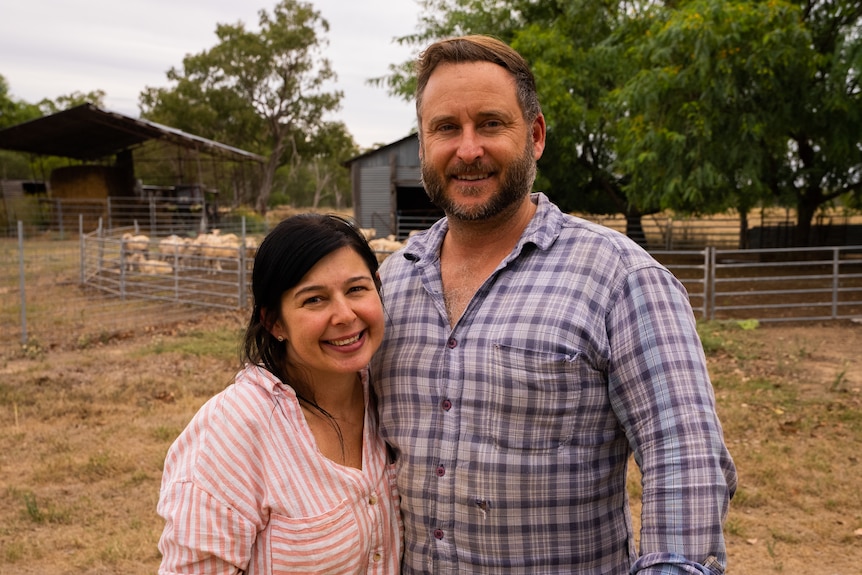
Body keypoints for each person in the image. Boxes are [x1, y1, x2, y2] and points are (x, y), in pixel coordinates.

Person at [371, 35, 737, 574]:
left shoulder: (620, 278)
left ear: (536, 135)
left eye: (491, 124)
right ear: (424, 145)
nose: (468, 149)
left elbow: (684, 458)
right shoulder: (389, 284)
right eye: (446, 128)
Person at [158, 214, 402, 574]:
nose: (345, 314)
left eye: (356, 289)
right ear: (274, 322)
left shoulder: (390, 394)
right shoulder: (234, 430)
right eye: (314, 299)